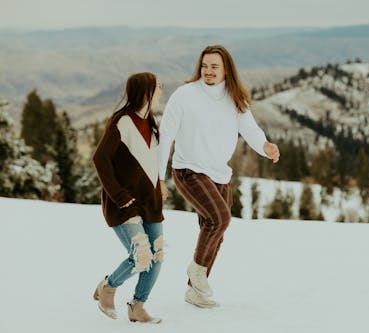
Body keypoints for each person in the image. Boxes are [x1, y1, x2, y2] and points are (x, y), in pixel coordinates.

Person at [158, 45, 280, 308]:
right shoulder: (184, 95)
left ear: (226, 70)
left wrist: (265, 147)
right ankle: (197, 270)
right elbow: (165, 136)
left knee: (216, 230)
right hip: (188, 169)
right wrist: (158, 178)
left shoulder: (234, 98)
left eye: (214, 66)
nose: (208, 71)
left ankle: (195, 291)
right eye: (204, 66)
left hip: (219, 174)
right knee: (219, 219)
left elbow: (251, 130)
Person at [92, 72, 165, 324]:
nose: (161, 90)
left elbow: (149, 163)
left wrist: (160, 185)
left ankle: (137, 306)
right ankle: (108, 288)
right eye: (158, 87)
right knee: (140, 254)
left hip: (150, 203)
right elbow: (100, 159)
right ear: (146, 92)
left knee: (156, 255)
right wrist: (118, 195)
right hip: (124, 203)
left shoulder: (152, 122)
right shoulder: (122, 121)